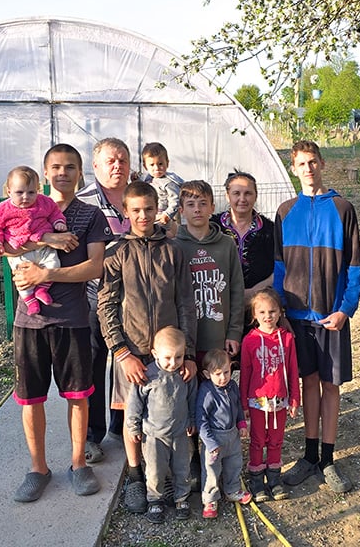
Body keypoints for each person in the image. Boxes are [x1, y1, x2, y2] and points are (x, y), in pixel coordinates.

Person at [6, 144, 110, 503]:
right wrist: (45, 239)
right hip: (29, 321)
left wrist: (46, 274)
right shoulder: (19, 208)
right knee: (31, 398)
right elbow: (2, 244)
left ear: (80, 173)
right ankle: (38, 469)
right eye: (56, 167)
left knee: (78, 395)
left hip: (73, 319)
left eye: (70, 167)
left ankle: (79, 463)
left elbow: (95, 267)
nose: (63, 173)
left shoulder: (91, 216)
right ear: (45, 173)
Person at [97, 180, 197, 514]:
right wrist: (121, 352)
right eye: (136, 210)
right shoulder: (116, 254)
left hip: (169, 354)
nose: (143, 216)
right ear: (125, 212)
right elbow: (106, 306)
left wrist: (190, 353)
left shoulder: (173, 252)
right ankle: (137, 477)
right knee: (132, 418)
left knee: (172, 412)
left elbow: (186, 303)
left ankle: (169, 474)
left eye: (149, 209)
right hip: (134, 353)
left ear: (158, 210)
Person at [274, 140, 360, 494]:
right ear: (293, 168)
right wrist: (281, 310)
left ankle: (328, 459)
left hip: (332, 316)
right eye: (301, 163)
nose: (308, 169)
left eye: (313, 162)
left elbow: (356, 268)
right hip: (297, 317)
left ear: (322, 164)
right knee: (307, 383)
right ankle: (309, 456)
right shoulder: (285, 211)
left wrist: (345, 310)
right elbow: (279, 268)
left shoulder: (343, 209)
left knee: (331, 386)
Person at [175, 179, 245, 492]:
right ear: (181, 210)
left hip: (217, 340)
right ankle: (193, 456)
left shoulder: (226, 244)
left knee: (219, 400)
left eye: (203, 203)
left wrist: (234, 331)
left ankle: (222, 451)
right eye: (190, 204)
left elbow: (236, 289)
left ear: (213, 207)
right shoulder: (175, 244)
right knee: (191, 402)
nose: (197, 210)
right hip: (188, 342)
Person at [76, 137, 132, 464]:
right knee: (94, 363)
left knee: (127, 362)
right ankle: (91, 435)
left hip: (135, 300)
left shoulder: (140, 197)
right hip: (95, 298)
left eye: (122, 160)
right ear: (95, 166)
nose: (117, 166)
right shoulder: (83, 203)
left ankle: (122, 426)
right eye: (110, 161)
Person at [125, 326, 198, 524]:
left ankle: (181, 497)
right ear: (155, 353)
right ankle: (154, 499)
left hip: (180, 433)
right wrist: (133, 426)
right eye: (167, 358)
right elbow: (134, 403)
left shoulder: (185, 376)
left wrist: (192, 420)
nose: (173, 363)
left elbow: (192, 400)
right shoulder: (148, 375)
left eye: (179, 357)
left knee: (182, 468)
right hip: (154, 435)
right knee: (155, 470)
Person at [240, 288, 300, 502]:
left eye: (272, 311)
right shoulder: (249, 341)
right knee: (257, 441)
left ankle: (274, 479)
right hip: (257, 402)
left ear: (280, 312)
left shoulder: (287, 339)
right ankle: (256, 479)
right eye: (262, 312)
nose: (268, 316)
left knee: (275, 440)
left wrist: (294, 398)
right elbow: (245, 372)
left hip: (280, 401)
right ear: (254, 315)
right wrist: (243, 404)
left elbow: (293, 370)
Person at [0, 165, 67, 315]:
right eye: (19, 192)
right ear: (9, 192)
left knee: (54, 264)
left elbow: (55, 212)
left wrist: (58, 222)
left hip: (43, 246)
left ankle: (42, 289)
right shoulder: (1, 210)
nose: (25, 197)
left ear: (38, 190)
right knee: (23, 278)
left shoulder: (44, 202)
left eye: (31, 192)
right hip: (19, 247)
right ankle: (30, 301)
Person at [195, 348, 251, 519]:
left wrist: (241, 423)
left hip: (232, 435)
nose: (223, 377)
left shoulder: (232, 386)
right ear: (207, 374)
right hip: (214, 437)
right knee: (211, 469)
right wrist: (210, 443)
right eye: (217, 374)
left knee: (234, 463)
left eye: (226, 372)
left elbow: (238, 406)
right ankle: (210, 499)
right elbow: (201, 420)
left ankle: (232, 489)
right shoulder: (207, 391)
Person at [212, 170, 275, 303]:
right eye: (236, 193)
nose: (242, 199)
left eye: (248, 193)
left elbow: (279, 267)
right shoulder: (213, 227)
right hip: (220, 301)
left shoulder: (270, 229)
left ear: (256, 196)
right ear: (227, 196)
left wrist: (254, 292)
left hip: (259, 304)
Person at [140, 142, 182, 225]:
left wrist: (167, 214)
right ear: (145, 166)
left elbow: (175, 201)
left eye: (160, 164)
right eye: (152, 165)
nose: (157, 168)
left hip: (165, 219)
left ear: (167, 163)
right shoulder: (148, 179)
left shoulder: (169, 182)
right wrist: (136, 180)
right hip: (151, 217)